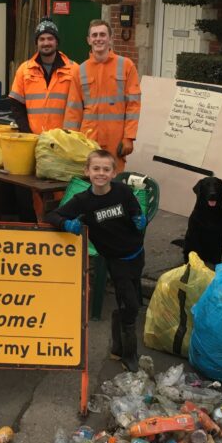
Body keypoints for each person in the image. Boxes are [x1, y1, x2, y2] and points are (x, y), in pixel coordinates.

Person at [46, 149, 148, 372]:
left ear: (114, 172)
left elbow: (135, 210)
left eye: (106, 169)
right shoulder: (83, 201)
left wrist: (140, 219)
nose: (100, 173)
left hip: (136, 253)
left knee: (131, 301)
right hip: (115, 259)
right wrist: (66, 225)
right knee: (131, 305)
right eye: (96, 169)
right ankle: (130, 355)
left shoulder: (122, 191)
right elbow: (53, 216)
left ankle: (117, 344)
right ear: (87, 171)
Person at [64, 19, 141, 174]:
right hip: (88, 138)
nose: (98, 38)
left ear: (110, 39)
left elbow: (133, 105)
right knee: (89, 181)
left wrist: (129, 137)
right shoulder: (80, 70)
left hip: (116, 139)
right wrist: (70, 140)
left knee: (114, 179)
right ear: (88, 40)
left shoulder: (126, 65)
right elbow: (74, 109)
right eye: (94, 35)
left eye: (102, 35)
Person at [9, 18, 77, 133]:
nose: (46, 43)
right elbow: (16, 106)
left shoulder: (74, 69)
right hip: (34, 138)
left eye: (50, 39)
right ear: (37, 43)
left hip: (64, 141)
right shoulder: (24, 70)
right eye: (42, 39)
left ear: (56, 42)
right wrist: (27, 132)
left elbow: (80, 107)